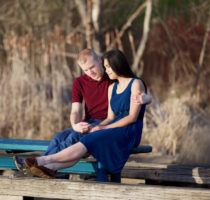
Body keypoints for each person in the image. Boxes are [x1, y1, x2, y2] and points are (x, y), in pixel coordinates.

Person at [14, 49, 148, 179]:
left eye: (93, 67)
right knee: (59, 137)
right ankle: (44, 168)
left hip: (113, 126)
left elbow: (136, 101)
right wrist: (75, 124)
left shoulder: (112, 78)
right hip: (97, 123)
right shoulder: (88, 83)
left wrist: (147, 98)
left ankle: (40, 162)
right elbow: (78, 111)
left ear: (99, 61)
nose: (90, 72)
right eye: (86, 70)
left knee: (76, 138)